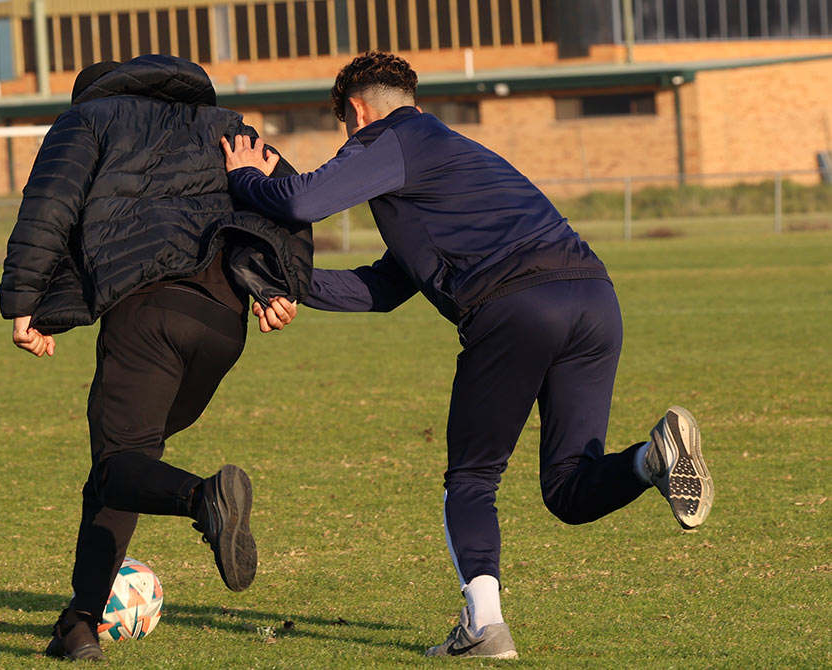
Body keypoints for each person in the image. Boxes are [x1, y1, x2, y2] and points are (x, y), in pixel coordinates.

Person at [221, 51, 714, 659]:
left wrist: (242, 178)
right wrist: (283, 283)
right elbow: (380, 289)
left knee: (472, 481)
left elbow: (299, 201)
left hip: (517, 307)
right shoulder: (448, 161)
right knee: (567, 490)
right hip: (594, 300)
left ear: (355, 112)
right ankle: (651, 459)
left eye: (348, 130)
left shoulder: (395, 137)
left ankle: (485, 628)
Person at [0, 54, 312, 661]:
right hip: (222, 324)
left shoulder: (88, 119)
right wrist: (280, 284)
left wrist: (25, 299)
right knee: (125, 465)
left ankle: (205, 499)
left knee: (120, 460)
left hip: (148, 311)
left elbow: (51, 204)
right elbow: (288, 198)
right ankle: (79, 625)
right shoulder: (226, 124)